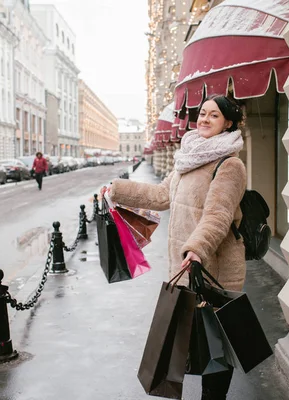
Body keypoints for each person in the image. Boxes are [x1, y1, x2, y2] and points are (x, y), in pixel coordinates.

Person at [103, 94, 246, 400]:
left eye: (214, 116)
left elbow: (218, 215)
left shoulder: (229, 164)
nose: (204, 120)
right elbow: (161, 196)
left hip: (212, 267)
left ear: (229, 123)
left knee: (214, 345)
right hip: (185, 266)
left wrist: (196, 247)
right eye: (202, 114)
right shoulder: (187, 158)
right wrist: (119, 189)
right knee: (194, 341)